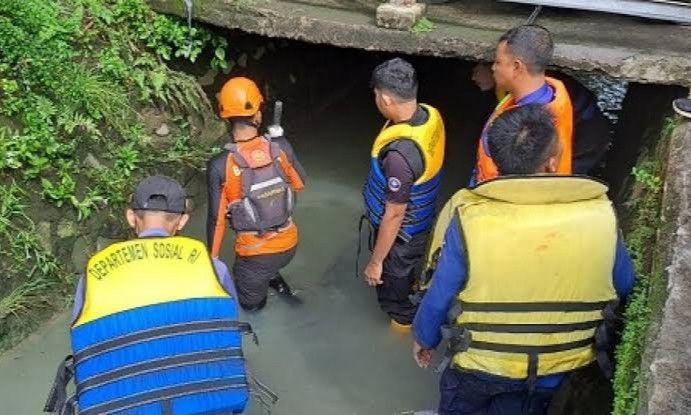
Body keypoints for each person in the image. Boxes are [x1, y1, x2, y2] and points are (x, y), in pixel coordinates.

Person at [412, 105, 635, 415]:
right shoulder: (600, 216)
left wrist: (425, 338)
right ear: (552, 162)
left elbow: (440, 294)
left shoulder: (470, 220)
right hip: (551, 368)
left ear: (494, 160)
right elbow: (624, 284)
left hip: (479, 366)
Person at [46, 175, 255, 415]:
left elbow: (84, 341)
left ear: (131, 217)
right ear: (183, 220)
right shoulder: (213, 268)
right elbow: (228, 324)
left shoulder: (94, 275)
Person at [207, 77, 307, 311]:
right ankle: (277, 282)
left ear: (225, 117)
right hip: (290, 243)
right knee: (265, 266)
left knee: (250, 307)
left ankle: (258, 304)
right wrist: (281, 139)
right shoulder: (279, 148)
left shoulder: (220, 165)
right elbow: (300, 182)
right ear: (258, 116)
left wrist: (211, 261)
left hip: (255, 254)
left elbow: (216, 220)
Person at [362, 57, 446, 331]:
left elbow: (395, 213)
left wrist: (376, 262)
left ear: (385, 99)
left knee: (394, 301)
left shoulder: (400, 155)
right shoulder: (427, 116)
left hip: (402, 237)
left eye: (375, 95)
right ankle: (410, 284)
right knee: (406, 276)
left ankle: (400, 333)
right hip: (420, 223)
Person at [472, 24, 574, 185]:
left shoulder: (527, 132)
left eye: (498, 62)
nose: (493, 68)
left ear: (517, 67)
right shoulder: (556, 97)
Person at [471, 62, 612, 175]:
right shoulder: (518, 85)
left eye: (476, 71)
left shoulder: (543, 99)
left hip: (589, 135)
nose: (473, 78)